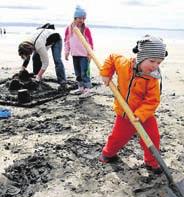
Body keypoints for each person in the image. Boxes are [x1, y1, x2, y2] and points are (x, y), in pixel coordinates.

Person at [98, 35, 168, 174]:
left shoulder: (152, 79)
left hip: (144, 115)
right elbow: (112, 58)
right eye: (152, 61)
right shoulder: (124, 65)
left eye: (159, 63)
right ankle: (108, 153)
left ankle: (152, 162)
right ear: (141, 57)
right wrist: (106, 73)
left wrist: (140, 115)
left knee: (152, 138)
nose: (155, 66)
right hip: (124, 113)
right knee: (117, 137)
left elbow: (152, 100)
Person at [18, 25, 67, 90]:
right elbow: (27, 56)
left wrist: (39, 76)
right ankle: (36, 75)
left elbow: (45, 63)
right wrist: (22, 69)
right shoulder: (25, 44)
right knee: (35, 57)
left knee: (57, 59)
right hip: (42, 38)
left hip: (56, 39)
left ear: (31, 49)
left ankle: (62, 82)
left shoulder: (39, 45)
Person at [64, 5, 93, 96]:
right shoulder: (69, 29)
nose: (82, 20)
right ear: (75, 18)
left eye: (84, 18)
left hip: (84, 55)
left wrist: (90, 53)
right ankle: (80, 88)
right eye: (80, 18)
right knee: (78, 73)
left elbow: (90, 42)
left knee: (85, 72)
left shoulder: (86, 29)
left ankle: (87, 89)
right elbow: (67, 41)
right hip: (75, 54)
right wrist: (66, 52)